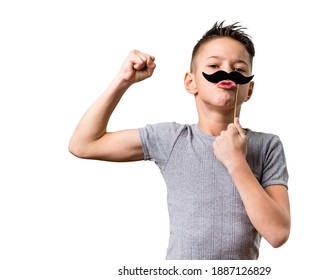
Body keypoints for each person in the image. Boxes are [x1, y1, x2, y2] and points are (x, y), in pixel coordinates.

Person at [69, 21, 290, 260]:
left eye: (239, 68)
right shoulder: (172, 139)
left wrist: (237, 162)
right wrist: (123, 81)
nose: (227, 72)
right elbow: (83, 144)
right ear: (190, 82)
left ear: (249, 89)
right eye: (214, 65)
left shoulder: (267, 146)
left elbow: (277, 233)